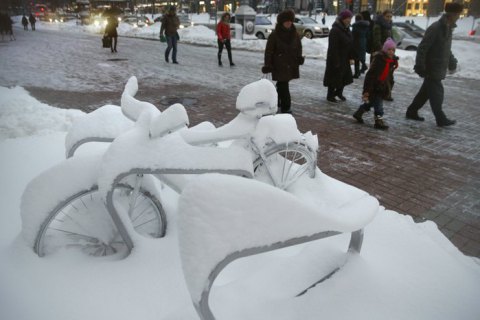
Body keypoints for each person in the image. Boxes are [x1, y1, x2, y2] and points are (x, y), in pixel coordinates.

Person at [405, 2, 463, 127]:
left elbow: (446, 48)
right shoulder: (436, 28)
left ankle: (411, 111)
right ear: (452, 14)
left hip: (439, 67)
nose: (459, 16)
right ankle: (440, 118)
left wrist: (452, 61)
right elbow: (422, 48)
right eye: (458, 14)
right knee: (437, 93)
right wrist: (420, 65)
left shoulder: (448, 28)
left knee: (425, 92)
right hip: (432, 67)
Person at [262, 9, 304, 114]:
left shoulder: (295, 34)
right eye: (286, 21)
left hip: (291, 63)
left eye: (290, 20)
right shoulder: (274, 35)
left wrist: (299, 57)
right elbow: (269, 52)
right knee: (284, 85)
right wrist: (268, 64)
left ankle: (276, 101)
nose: (289, 23)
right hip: (279, 64)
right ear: (281, 22)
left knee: (282, 84)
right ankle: (286, 107)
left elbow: (299, 47)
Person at [353, 38, 398, 130]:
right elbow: (370, 75)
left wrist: (389, 86)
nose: (391, 52)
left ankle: (359, 112)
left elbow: (389, 76)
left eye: (393, 50)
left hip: (382, 86)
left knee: (371, 103)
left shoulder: (391, 62)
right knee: (379, 106)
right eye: (389, 49)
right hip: (374, 86)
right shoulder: (379, 60)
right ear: (385, 50)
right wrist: (367, 89)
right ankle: (378, 121)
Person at [323, 9, 354, 103]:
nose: (349, 20)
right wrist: (336, 60)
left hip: (345, 57)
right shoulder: (335, 30)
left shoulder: (347, 29)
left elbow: (350, 43)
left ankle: (339, 93)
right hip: (335, 57)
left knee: (345, 77)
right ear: (342, 19)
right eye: (347, 18)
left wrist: (351, 56)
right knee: (333, 77)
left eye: (350, 18)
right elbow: (333, 47)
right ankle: (330, 95)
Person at [372, 9, 395, 100]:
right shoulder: (378, 25)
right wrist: (383, 52)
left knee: (389, 76)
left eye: (390, 17)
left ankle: (386, 93)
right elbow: (377, 40)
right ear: (383, 16)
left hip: (389, 54)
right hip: (380, 54)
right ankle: (374, 93)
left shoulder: (389, 26)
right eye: (387, 16)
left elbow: (391, 39)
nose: (389, 18)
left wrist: (392, 49)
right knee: (378, 75)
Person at [352, 13, 370, 78]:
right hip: (363, 42)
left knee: (356, 58)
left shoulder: (355, 26)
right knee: (362, 56)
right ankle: (363, 67)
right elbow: (368, 35)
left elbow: (353, 35)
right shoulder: (366, 26)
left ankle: (357, 73)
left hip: (356, 43)